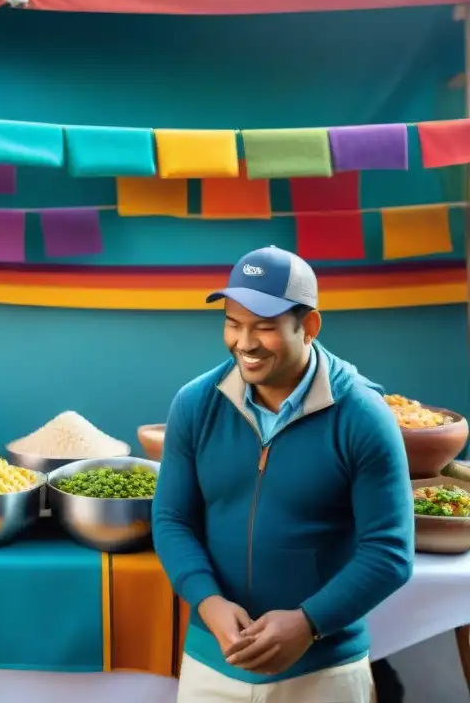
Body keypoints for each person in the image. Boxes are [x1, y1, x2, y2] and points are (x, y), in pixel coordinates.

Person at [153, 245, 414, 702]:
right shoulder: (195, 405)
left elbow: (390, 552)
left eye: (265, 327)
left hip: (325, 671)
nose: (244, 343)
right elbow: (172, 517)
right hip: (211, 663)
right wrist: (208, 603)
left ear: (308, 326)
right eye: (233, 324)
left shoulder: (363, 416)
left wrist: (308, 624)